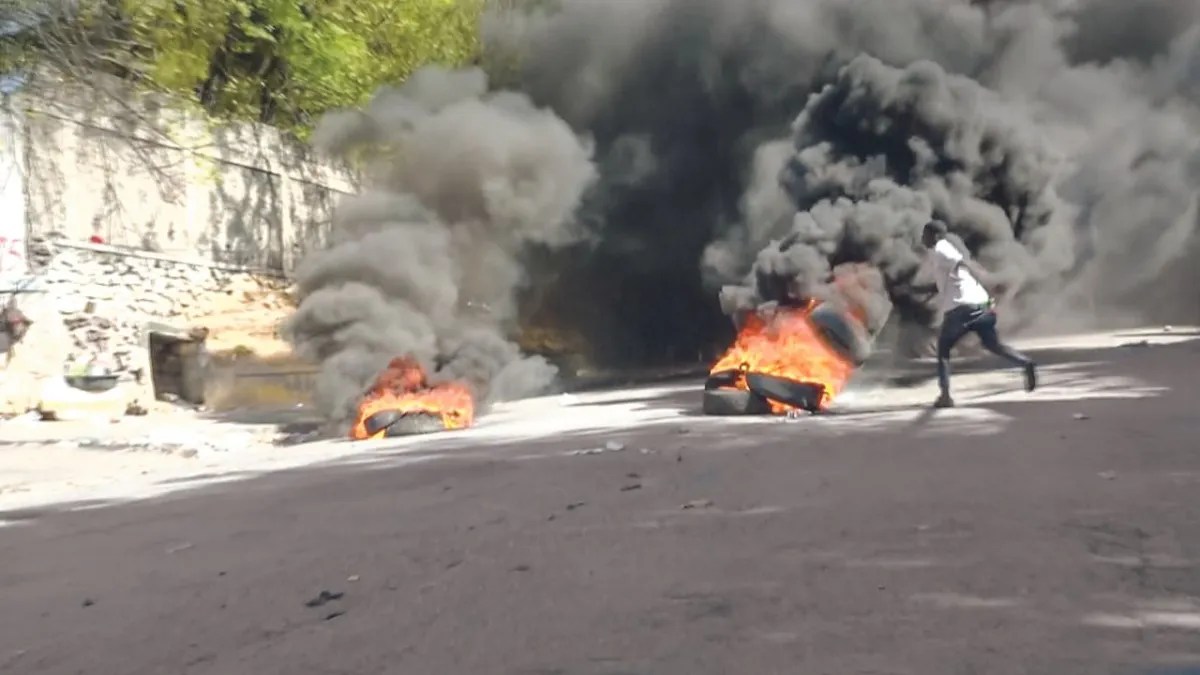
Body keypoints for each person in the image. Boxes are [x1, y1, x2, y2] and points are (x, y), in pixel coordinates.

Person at [915, 219, 1037, 408]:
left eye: (926, 234)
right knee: (993, 345)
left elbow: (964, 264)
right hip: (981, 305)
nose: (923, 238)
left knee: (943, 350)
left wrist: (989, 278)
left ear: (936, 236)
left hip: (961, 308)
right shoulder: (942, 252)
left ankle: (945, 396)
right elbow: (952, 276)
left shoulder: (941, 248)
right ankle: (1025, 362)